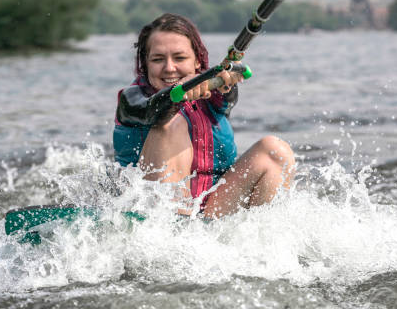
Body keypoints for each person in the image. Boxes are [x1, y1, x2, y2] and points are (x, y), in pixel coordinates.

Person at [113, 13, 295, 218]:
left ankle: (255, 238)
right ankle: (177, 233)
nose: (169, 68)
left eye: (180, 58)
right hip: (155, 217)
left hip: (212, 213)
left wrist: (224, 80)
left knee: (274, 150)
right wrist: (181, 89)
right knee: (170, 124)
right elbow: (151, 111)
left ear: (197, 61)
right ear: (145, 65)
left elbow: (229, 94)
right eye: (157, 59)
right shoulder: (131, 99)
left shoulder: (214, 97)